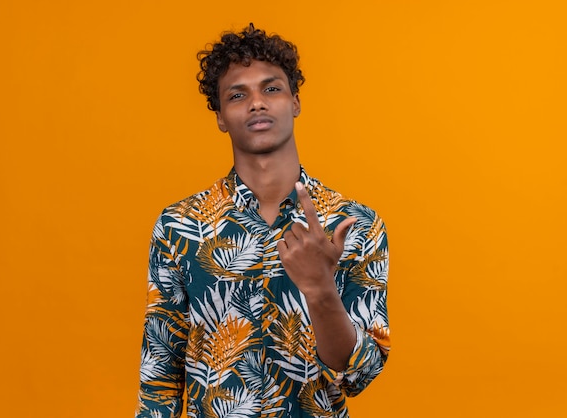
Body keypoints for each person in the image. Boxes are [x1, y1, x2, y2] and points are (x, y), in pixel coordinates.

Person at [136, 23, 390, 418]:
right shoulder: (179, 225)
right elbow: (160, 375)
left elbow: (360, 373)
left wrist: (321, 289)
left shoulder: (354, 223)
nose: (256, 102)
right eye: (238, 95)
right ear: (220, 116)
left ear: (295, 102)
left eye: (271, 88)